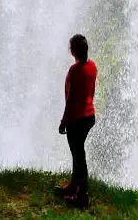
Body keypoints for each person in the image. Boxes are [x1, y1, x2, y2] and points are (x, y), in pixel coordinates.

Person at [56, 34, 97, 207]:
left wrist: (64, 121)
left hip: (77, 118)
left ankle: (82, 195)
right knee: (77, 153)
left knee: (79, 156)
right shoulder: (92, 66)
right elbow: (91, 91)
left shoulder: (75, 70)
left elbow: (71, 100)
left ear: (73, 51)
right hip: (89, 116)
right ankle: (74, 186)